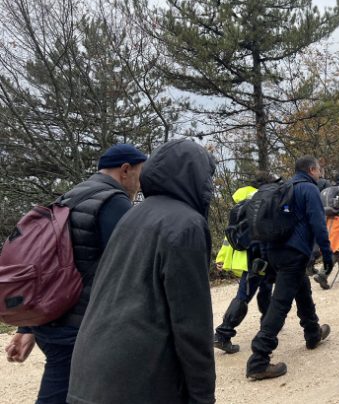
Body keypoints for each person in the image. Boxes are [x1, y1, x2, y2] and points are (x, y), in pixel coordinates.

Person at [66, 139, 216, 404]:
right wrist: (202, 396)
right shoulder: (186, 225)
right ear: (197, 178)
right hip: (137, 383)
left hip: (88, 377)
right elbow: (192, 323)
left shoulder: (132, 216)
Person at [5, 144, 146, 404]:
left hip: (53, 318)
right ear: (125, 170)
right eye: (139, 174)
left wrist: (27, 325)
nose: (140, 183)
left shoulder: (70, 197)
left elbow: (47, 265)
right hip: (80, 329)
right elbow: (134, 265)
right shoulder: (113, 202)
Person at [246, 156, 333, 380]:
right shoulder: (308, 189)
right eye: (319, 169)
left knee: (301, 287)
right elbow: (318, 223)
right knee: (281, 303)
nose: (320, 173)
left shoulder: (284, 187)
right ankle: (259, 359)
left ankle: (312, 332)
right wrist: (327, 252)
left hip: (275, 250)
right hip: (293, 253)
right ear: (312, 169)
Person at [213, 175, 278, 354]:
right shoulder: (262, 200)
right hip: (258, 257)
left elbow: (229, 236)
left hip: (245, 257)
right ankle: (223, 333)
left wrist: (222, 257)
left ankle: (268, 326)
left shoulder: (241, 202)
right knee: (244, 296)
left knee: (265, 289)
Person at [315, 170, 339, 289]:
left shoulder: (326, 191)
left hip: (327, 223)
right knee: (338, 249)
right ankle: (323, 274)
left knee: (338, 247)